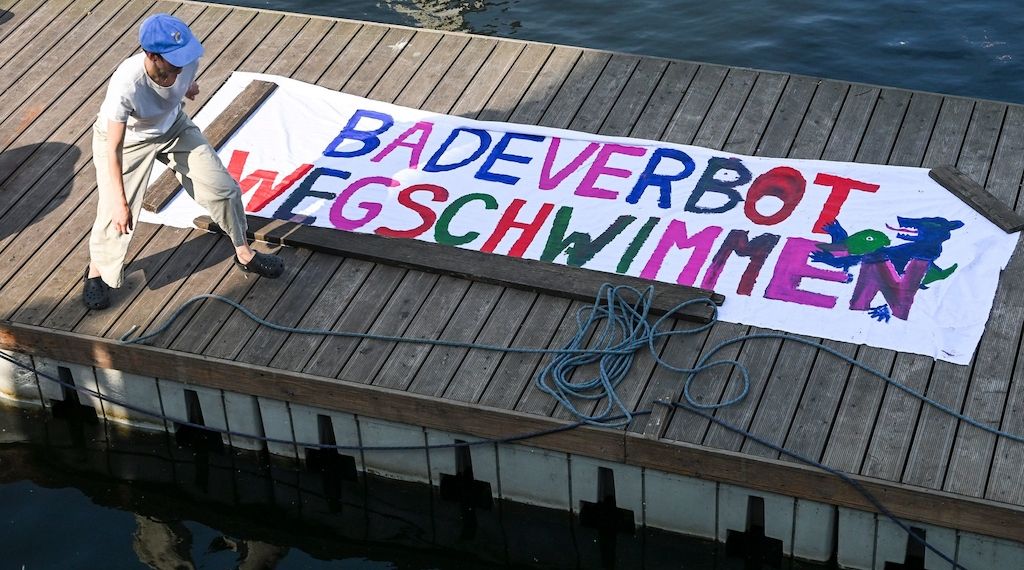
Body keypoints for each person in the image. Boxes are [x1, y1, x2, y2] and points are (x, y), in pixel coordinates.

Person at [83, 13, 283, 310]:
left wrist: (186, 87)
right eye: (174, 60)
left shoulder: (186, 63)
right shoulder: (127, 83)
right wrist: (121, 203)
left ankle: (244, 254)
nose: (182, 65)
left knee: (224, 189)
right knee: (114, 214)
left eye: (184, 58)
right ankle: (96, 273)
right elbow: (113, 147)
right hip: (128, 141)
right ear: (151, 55)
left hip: (173, 126)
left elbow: (180, 80)